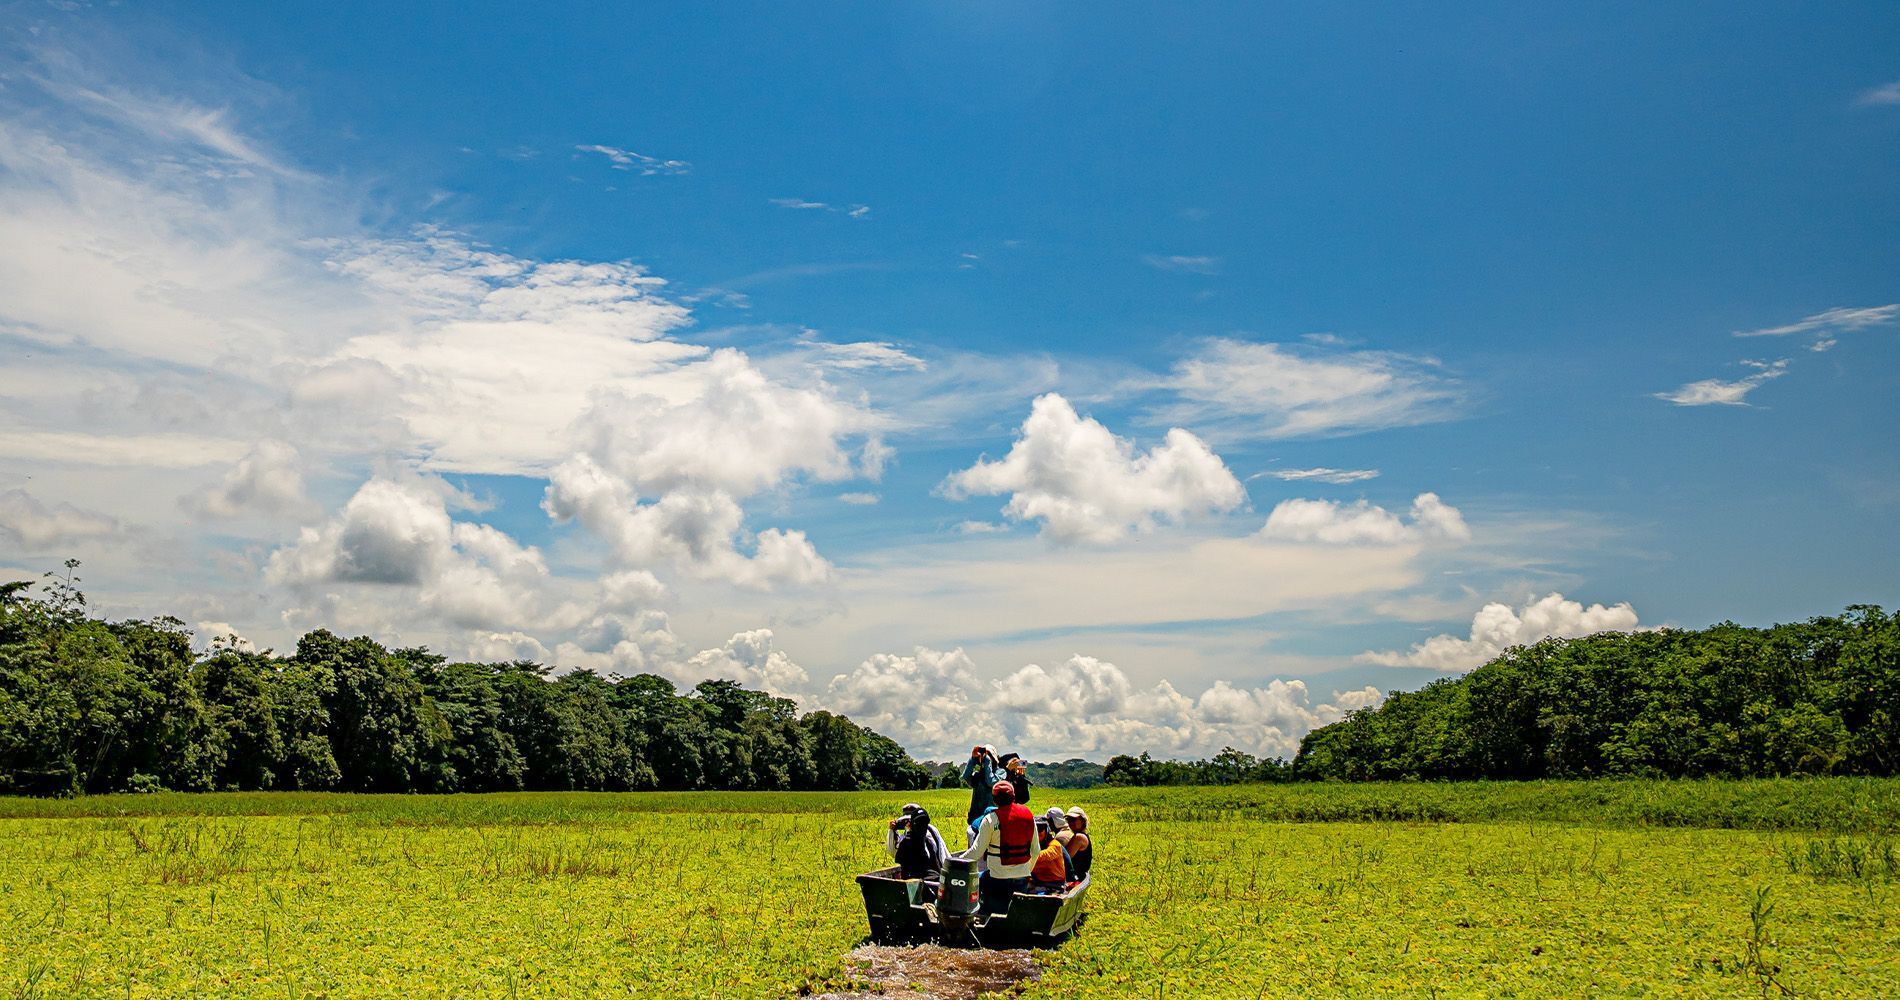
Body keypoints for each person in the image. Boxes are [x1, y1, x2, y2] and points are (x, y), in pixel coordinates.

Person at [966, 780, 1035, 913]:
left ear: (994, 800)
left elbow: (976, 852)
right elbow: (1035, 851)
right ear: (1013, 798)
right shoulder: (1028, 816)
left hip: (997, 877)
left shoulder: (990, 819)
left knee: (977, 880)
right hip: (1022, 877)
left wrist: (955, 861)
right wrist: (1026, 872)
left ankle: (980, 911)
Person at [886, 804, 946, 896]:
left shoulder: (930, 832)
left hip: (932, 876)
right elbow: (893, 852)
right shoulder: (906, 838)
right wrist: (892, 831)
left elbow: (942, 852)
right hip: (918, 880)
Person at [1030, 818, 1074, 892]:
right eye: (1034, 830)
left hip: (1055, 885)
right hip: (1036, 882)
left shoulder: (1055, 845)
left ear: (1046, 830)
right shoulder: (1030, 845)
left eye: (1040, 829)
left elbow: (1046, 854)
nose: (1037, 833)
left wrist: (1025, 856)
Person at [961, 744, 998, 828]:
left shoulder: (1001, 772)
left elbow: (990, 782)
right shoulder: (978, 775)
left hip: (991, 818)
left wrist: (987, 761)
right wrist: (973, 759)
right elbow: (966, 777)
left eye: (988, 754)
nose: (984, 757)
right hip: (976, 817)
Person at [1064, 806, 1092, 879]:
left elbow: (1064, 859)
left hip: (1075, 877)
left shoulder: (1079, 837)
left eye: (1073, 819)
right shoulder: (1080, 836)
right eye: (1068, 820)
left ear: (1082, 821)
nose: (1070, 822)